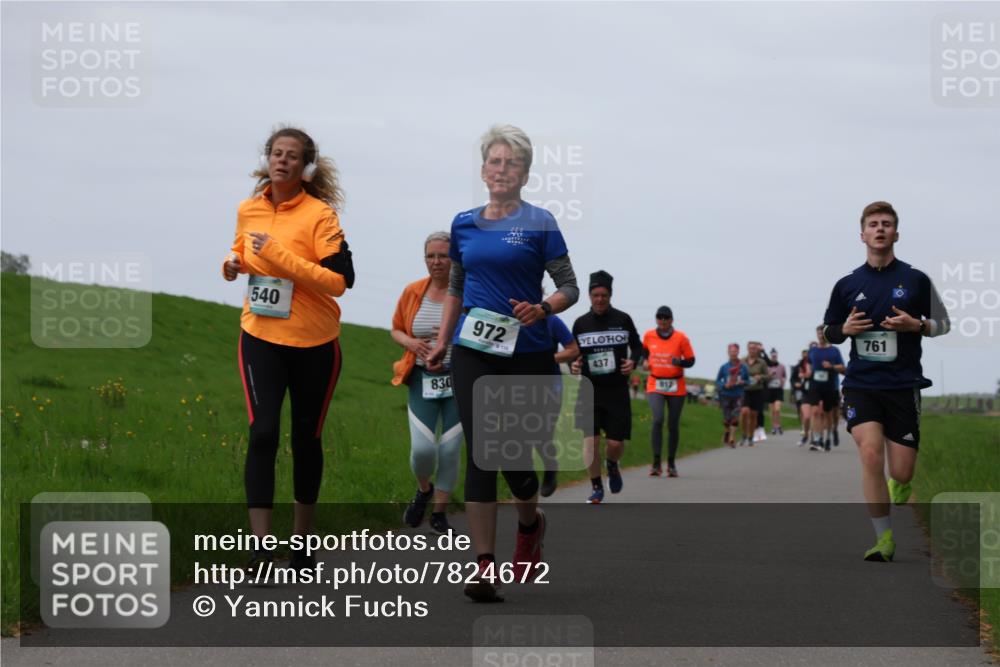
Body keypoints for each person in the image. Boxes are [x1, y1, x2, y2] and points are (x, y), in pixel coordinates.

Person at [426, 124, 579, 602]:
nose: (502, 169)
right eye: (495, 161)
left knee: (514, 459)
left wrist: (544, 308)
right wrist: (443, 340)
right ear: (483, 171)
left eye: (512, 163)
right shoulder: (463, 224)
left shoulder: (540, 222)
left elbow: (569, 286)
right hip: (473, 349)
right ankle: (484, 566)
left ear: (525, 174)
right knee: (481, 450)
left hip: (527, 352)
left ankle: (531, 523)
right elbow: (456, 288)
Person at [222, 126, 355, 572]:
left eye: (292, 156)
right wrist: (232, 264)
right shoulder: (249, 208)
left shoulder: (321, 215)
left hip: (314, 342)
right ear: (268, 159)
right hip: (259, 335)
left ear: (305, 167)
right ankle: (261, 548)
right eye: (277, 153)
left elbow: (338, 282)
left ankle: (302, 541)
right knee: (262, 433)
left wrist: (280, 257)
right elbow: (242, 251)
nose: (282, 160)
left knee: (305, 439)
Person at [820, 201, 949, 562]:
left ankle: (901, 482)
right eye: (874, 224)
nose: (880, 229)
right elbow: (828, 331)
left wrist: (917, 325)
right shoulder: (847, 284)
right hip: (861, 384)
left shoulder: (916, 279)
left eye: (887, 224)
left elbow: (944, 324)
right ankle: (884, 539)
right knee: (870, 452)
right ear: (862, 235)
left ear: (896, 234)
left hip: (903, 385)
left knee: (902, 471)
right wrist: (844, 329)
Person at [390, 232, 462, 534]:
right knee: (422, 450)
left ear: (454, 259)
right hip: (422, 379)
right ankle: (424, 490)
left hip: (459, 380)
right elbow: (396, 329)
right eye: (431, 256)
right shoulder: (413, 291)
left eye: (443, 256)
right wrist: (410, 342)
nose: (436, 262)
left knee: (449, 450)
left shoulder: (468, 293)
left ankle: (439, 513)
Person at [569, 271, 642, 502]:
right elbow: (572, 352)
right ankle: (596, 487)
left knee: (615, 443)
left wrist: (633, 361)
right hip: (589, 390)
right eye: (595, 295)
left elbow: (638, 346)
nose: (599, 299)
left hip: (616, 390)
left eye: (604, 295)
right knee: (591, 442)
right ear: (589, 296)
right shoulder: (581, 323)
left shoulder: (623, 319)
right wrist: (573, 364)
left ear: (610, 295)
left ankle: (612, 464)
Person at [641, 306, 695, 476]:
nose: (663, 321)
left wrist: (680, 362)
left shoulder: (681, 338)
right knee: (658, 419)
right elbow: (644, 352)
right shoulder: (649, 335)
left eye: (666, 318)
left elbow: (691, 360)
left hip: (676, 385)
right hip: (655, 383)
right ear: (656, 319)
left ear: (671, 320)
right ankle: (656, 462)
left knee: (673, 424)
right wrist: (644, 361)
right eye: (660, 317)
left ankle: (671, 463)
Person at [539, 313, 580, 497]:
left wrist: (548, 358)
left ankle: (550, 467)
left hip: (550, 387)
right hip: (518, 386)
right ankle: (525, 485)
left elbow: (573, 350)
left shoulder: (551, 321)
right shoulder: (508, 319)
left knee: (542, 433)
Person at [806, 325, 845, 451]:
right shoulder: (812, 350)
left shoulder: (834, 350)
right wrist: (808, 371)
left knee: (829, 413)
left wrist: (831, 366)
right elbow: (809, 364)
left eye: (822, 333)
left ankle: (830, 434)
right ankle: (817, 439)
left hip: (830, 386)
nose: (820, 336)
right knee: (815, 411)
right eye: (818, 333)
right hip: (815, 385)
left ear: (826, 334)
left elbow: (842, 367)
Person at [715, 343, 750, 447]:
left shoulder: (743, 367)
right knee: (727, 419)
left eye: (735, 351)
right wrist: (724, 385)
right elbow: (718, 380)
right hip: (726, 395)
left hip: (738, 395)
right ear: (728, 352)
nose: (733, 353)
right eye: (731, 351)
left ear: (738, 352)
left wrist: (743, 382)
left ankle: (732, 438)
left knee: (735, 417)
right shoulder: (724, 367)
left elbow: (748, 381)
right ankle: (727, 431)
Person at [739, 341, 768, 446]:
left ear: (757, 350)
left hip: (757, 390)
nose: (752, 350)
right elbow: (736, 373)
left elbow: (767, 376)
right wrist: (740, 379)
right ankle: (743, 435)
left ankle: (750, 437)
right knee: (744, 412)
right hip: (744, 390)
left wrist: (760, 377)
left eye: (754, 348)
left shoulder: (762, 362)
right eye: (750, 348)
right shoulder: (742, 361)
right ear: (747, 349)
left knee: (753, 415)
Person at [790, 349, 811, 446]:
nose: (805, 356)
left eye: (807, 355)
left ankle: (814, 435)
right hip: (800, 391)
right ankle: (803, 427)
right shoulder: (798, 366)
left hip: (812, 391)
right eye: (804, 355)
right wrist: (795, 384)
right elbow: (792, 379)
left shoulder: (813, 364)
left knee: (813, 413)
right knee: (801, 409)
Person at [765, 349, 786, 434]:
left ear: (777, 356)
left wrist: (783, 382)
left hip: (778, 390)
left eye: (775, 355)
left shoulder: (781, 366)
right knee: (772, 410)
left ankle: (779, 425)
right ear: (770, 356)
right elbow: (765, 378)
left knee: (777, 409)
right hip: (770, 390)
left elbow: (784, 376)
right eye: (772, 355)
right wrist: (770, 375)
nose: (774, 356)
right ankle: (774, 426)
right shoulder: (767, 367)